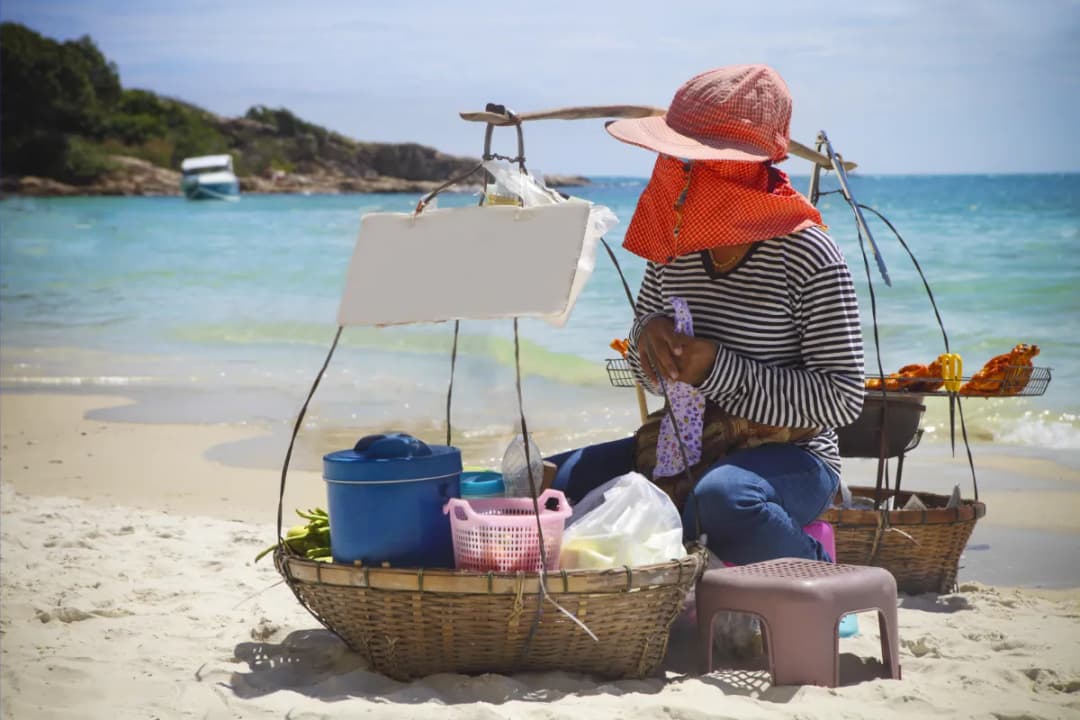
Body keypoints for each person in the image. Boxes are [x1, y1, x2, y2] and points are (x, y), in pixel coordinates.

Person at [546, 64, 865, 564]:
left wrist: (715, 368)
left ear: (742, 170)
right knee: (546, 489)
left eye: (696, 163)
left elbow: (840, 402)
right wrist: (648, 344)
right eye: (677, 159)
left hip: (793, 458)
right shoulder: (673, 245)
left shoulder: (808, 254)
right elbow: (649, 379)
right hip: (681, 445)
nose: (679, 174)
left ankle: (819, 571)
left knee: (721, 501)